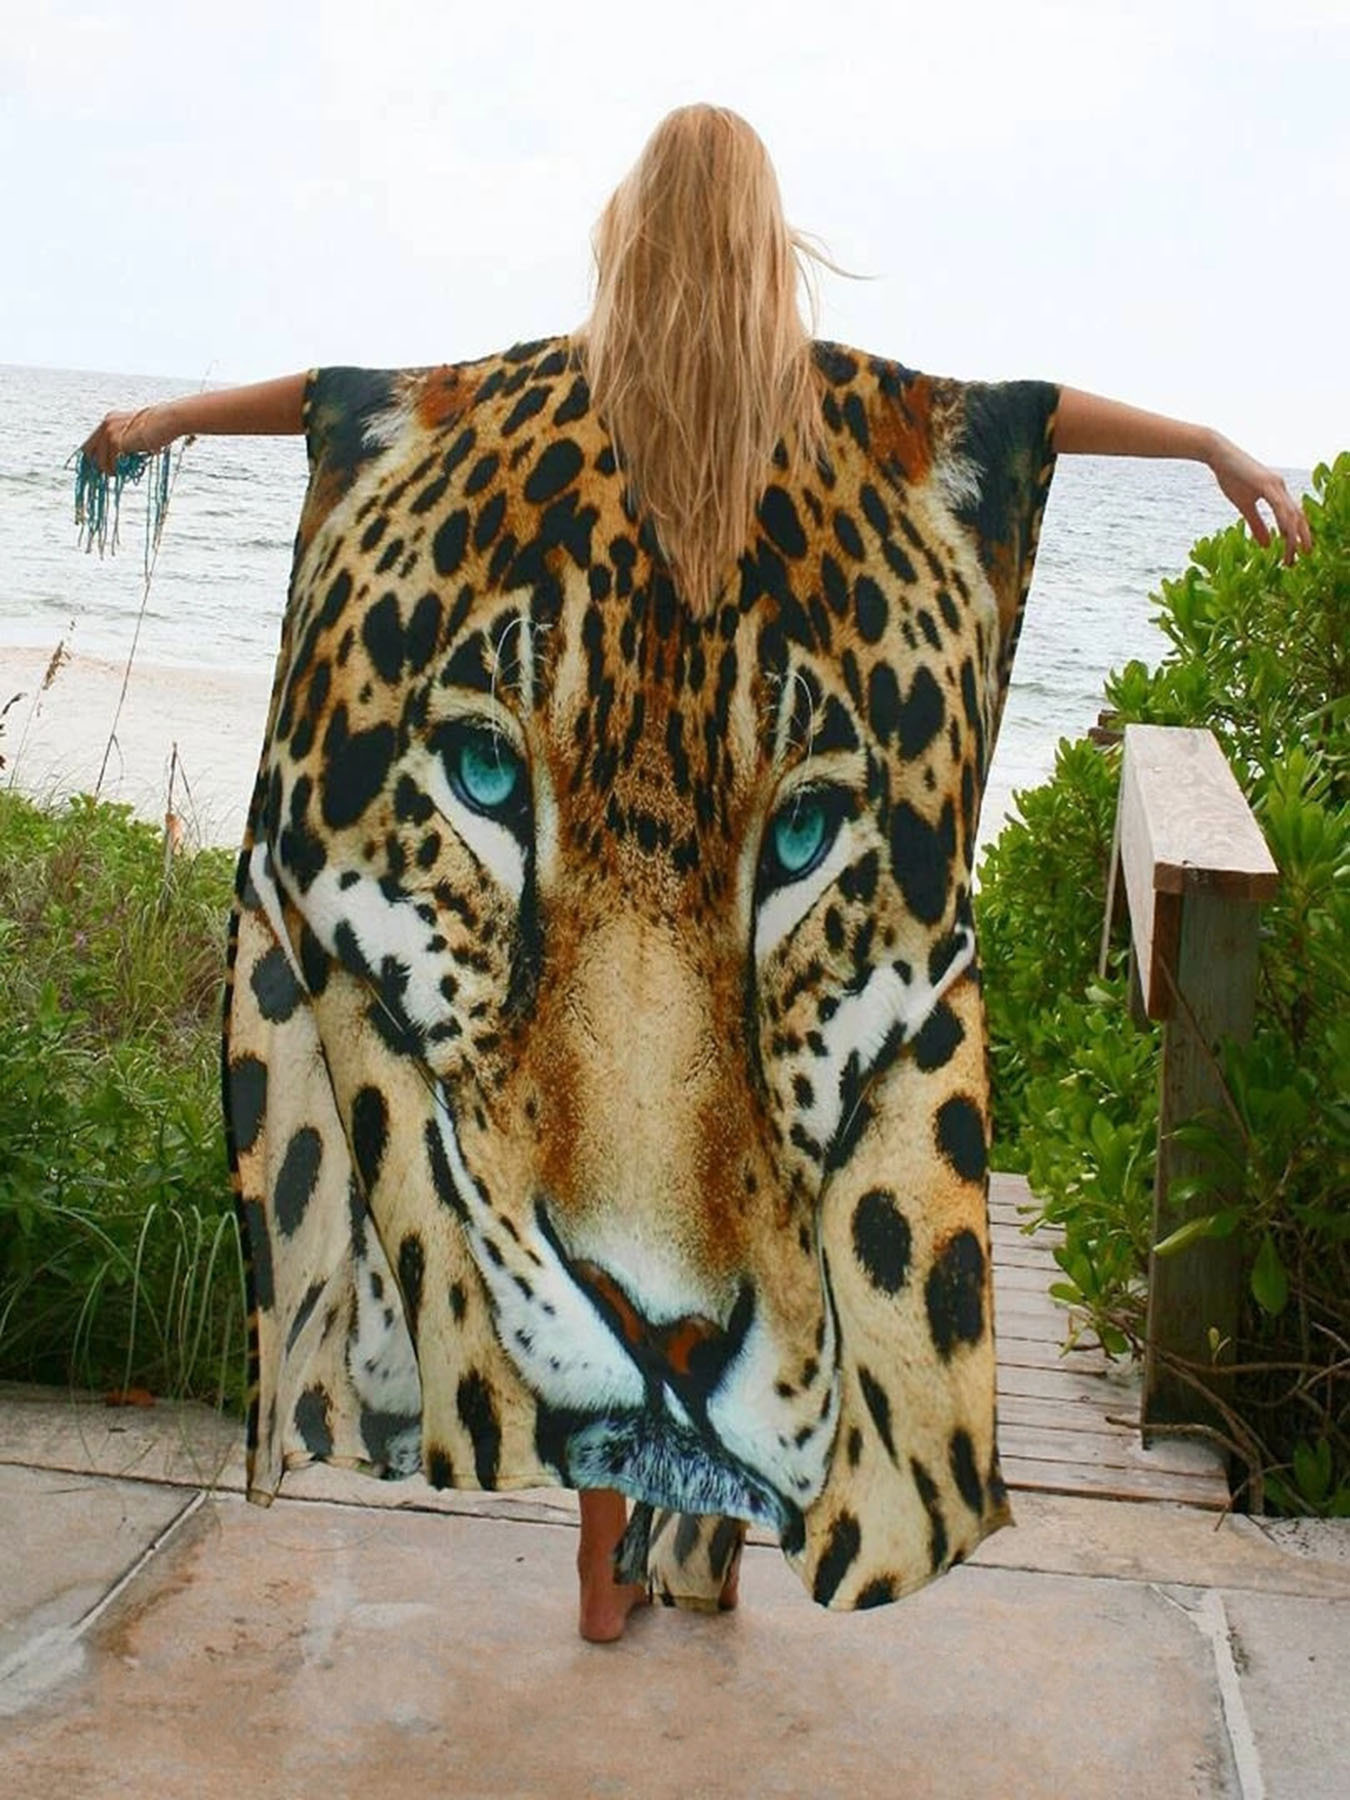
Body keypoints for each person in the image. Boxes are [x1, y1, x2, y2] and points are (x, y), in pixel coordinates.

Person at [83, 105, 1310, 1645]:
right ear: (764, 247)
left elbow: (343, 401)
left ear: (627, 237)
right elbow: (1025, 419)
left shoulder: (530, 403)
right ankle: (704, 1550)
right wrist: (1207, 442)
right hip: (735, 931)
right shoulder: (840, 418)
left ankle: (603, 1575)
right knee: (735, 1180)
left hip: (632, 921)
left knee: (630, 1209)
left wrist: (162, 424)